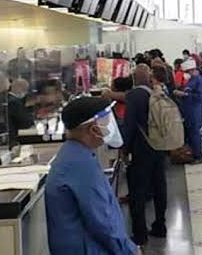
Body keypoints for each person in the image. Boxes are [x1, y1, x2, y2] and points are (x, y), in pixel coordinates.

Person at [46, 97, 138, 255]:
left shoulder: (73, 155)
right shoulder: (80, 165)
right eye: (106, 122)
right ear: (92, 128)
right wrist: (129, 250)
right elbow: (102, 222)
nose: (110, 127)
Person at [122, 64, 168, 246]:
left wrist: (125, 149)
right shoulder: (157, 92)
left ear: (134, 78)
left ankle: (140, 234)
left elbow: (129, 124)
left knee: (138, 191)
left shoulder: (134, 95)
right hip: (159, 146)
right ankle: (160, 225)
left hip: (141, 148)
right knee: (159, 187)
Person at [175, 60, 202, 164]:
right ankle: (192, 153)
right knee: (191, 133)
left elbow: (199, 97)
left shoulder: (199, 80)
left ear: (192, 70)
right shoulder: (191, 80)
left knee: (195, 133)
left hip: (194, 110)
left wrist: (184, 95)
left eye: (187, 72)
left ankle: (198, 156)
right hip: (188, 110)